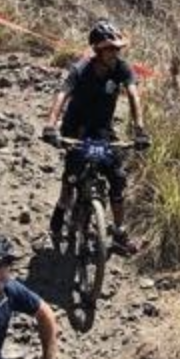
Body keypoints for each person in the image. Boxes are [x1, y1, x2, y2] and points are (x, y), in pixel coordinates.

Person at [43, 19, 149, 251]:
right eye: (109, 49)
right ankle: (57, 221)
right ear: (97, 50)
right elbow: (62, 94)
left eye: (117, 49)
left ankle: (119, 234)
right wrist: (51, 126)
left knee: (117, 178)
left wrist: (140, 129)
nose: (114, 53)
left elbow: (133, 95)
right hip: (75, 129)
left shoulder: (122, 68)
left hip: (102, 130)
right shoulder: (81, 68)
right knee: (71, 177)